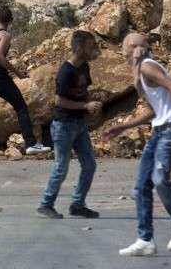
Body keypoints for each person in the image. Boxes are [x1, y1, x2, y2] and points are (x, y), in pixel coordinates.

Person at [105, 33, 171, 257]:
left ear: (133, 47)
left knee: (159, 179)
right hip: (159, 130)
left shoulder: (147, 67)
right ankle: (145, 240)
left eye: (124, 46)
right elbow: (156, 109)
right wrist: (124, 126)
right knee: (141, 187)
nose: (122, 51)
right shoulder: (141, 70)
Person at [37, 30, 102, 219]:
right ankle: (46, 204)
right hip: (63, 125)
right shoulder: (66, 71)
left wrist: (90, 105)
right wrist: (85, 105)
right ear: (80, 47)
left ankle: (78, 204)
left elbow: (84, 91)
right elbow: (59, 101)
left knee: (89, 164)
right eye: (91, 46)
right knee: (61, 167)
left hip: (79, 125)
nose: (95, 49)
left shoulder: (84, 68)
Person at [0, 6, 50, 160]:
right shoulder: (5, 35)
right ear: (10, 21)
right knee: (20, 106)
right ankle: (30, 144)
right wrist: (17, 73)